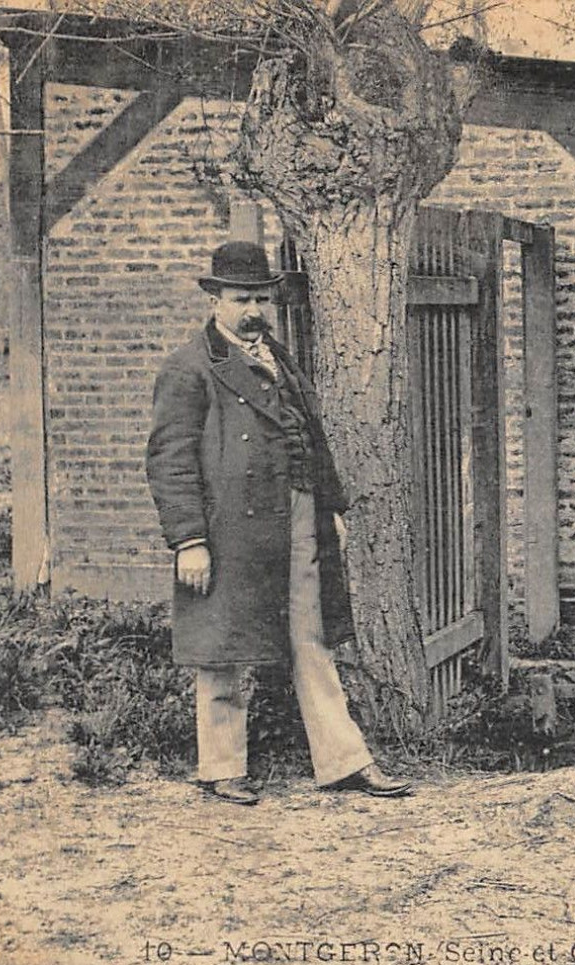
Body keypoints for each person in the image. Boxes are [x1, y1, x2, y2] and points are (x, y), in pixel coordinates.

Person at [145, 241, 411, 806]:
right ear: (215, 298)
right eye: (242, 299)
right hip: (227, 528)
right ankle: (221, 767)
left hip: (295, 513)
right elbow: (170, 462)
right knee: (224, 644)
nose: (254, 310)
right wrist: (189, 540)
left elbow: (311, 436)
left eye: (262, 298)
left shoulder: (280, 358)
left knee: (310, 636)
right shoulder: (190, 368)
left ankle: (344, 760)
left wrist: (329, 505)